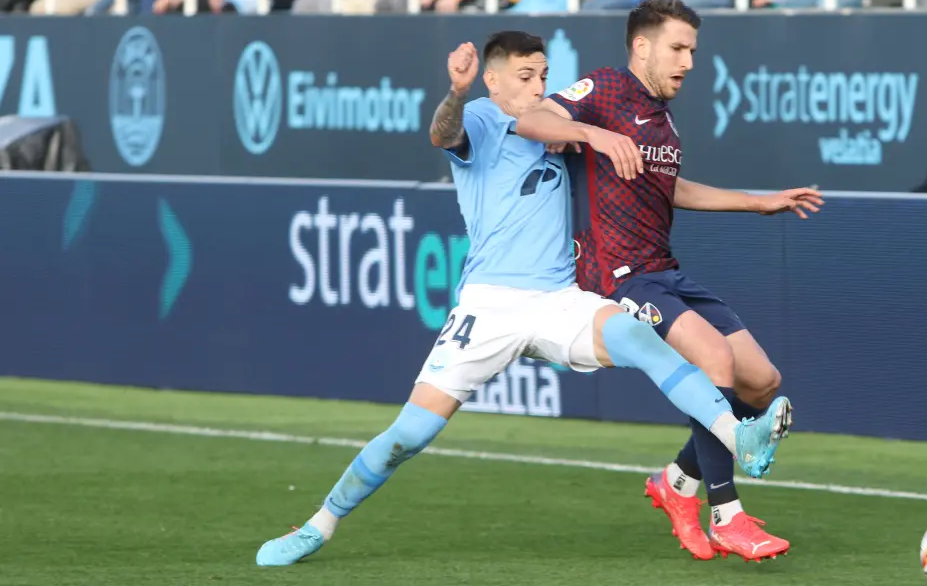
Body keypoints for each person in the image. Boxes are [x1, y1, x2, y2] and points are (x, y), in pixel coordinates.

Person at [254, 30, 793, 568]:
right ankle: (319, 524)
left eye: (543, 76)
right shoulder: (483, 117)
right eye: (525, 76)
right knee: (409, 435)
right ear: (493, 81)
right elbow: (443, 134)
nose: (538, 87)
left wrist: (583, 135)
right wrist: (456, 92)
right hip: (490, 305)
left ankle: (737, 438)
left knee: (640, 338)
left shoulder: (561, 131)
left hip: (558, 299)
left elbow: (650, 184)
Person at [515, 0, 822, 562]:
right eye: (678, 49)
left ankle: (676, 483)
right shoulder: (608, 87)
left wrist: (758, 203)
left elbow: (669, 188)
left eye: (693, 51)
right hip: (619, 276)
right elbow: (531, 120)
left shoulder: (662, 117)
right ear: (642, 46)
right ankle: (726, 514)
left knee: (760, 382)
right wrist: (591, 134)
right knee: (714, 359)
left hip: (664, 271)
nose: (688, 62)